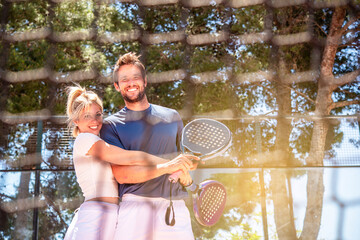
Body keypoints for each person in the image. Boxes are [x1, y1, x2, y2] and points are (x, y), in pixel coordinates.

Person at [64, 84, 196, 240]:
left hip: (112, 214)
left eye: (98, 114)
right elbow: (131, 157)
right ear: (76, 120)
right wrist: (172, 164)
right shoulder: (85, 139)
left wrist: (175, 167)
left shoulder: (101, 139)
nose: (94, 120)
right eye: (87, 116)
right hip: (94, 214)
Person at [100, 52, 198, 240]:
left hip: (174, 206)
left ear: (145, 81)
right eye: (124, 79)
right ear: (117, 86)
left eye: (136, 77)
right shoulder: (110, 126)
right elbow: (122, 175)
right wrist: (168, 167)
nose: (131, 83)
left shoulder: (172, 117)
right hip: (135, 208)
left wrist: (185, 171)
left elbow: (188, 161)